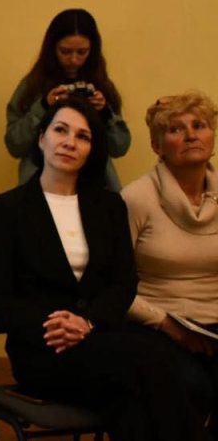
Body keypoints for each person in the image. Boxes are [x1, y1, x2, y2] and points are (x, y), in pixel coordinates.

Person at [0, 96, 207, 440]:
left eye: (83, 136)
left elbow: (123, 283)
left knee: (132, 408)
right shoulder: (8, 209)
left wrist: (87, 323)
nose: (69, 142)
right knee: (150, 359)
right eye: (60, 130)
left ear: (92, 150)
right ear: (41, 138)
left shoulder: (109, 206)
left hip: (99, 338)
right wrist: (55, 325)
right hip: (44, 351)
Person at [122, 91, 218, 436]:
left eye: (199, 125)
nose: (191, 135)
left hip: (214, 326)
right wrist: (165, 323)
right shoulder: (135, 198)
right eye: (176, 129)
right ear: (157, 146)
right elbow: (109, 284)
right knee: (191, 385)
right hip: (158, 324)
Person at [5, 8, 130, 191]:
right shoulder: (32, 86)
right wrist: (43, 107)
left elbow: (120, 148)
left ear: (93, 50)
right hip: (42, 190)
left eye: (82, 52)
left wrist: (105, 113)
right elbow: (15, 145)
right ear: (52, 49)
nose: (74, 60)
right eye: (65, 51)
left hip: (96, 189)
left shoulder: (101, 85)